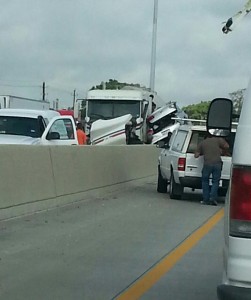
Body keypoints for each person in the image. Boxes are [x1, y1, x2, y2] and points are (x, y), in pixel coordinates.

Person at [194, 133, 229, 206]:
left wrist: (202, 152)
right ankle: (213, 199)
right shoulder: (218, 140)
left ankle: (206, 199)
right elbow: (227, 146)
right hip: (217, 164)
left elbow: (196, 155)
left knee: (205, 181)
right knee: (215, 181)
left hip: (207, 164)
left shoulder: (202, 143)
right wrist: (221, 150)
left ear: (205, 137)